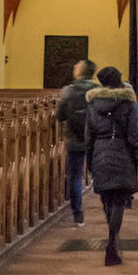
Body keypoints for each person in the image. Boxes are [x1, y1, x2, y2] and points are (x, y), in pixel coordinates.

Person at [84, 64, 138, 265]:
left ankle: (112, 238)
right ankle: (112, 241)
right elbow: (134, 137)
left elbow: (88, 137)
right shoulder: (128, 104)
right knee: (119, 200)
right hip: (122, 153)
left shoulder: (92, 105)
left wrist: (90, 162)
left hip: (100, 152)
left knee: (107, 198)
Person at [55, 57, 97, 224]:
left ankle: (78, 214)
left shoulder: (68, 91)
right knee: (100, 171)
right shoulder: (97, 91)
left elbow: (60, 115)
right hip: (95, 137)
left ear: (80, 71)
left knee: (75, 176)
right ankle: (109, 208)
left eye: (77, 66)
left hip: (74, 137)